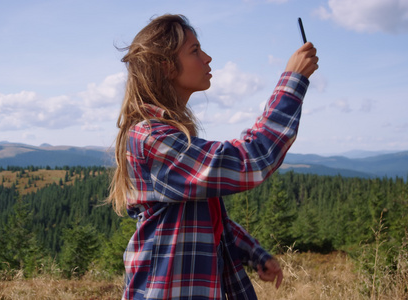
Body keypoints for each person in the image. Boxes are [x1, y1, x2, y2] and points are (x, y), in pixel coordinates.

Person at [107, 14, 319, 300]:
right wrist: (293, 81)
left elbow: (203, 214)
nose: (207, 58)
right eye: (194, 51)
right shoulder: (151, 139)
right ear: (166, 66)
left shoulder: (169, 136)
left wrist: (254, 253)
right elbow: (251, 159)